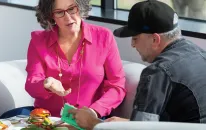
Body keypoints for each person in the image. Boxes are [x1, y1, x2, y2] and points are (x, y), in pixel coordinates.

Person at [68, 0, 206, 129]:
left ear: (155, 39)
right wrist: (128, 123)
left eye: (135, 38)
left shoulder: (157, 72)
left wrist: (94, 123)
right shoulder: (200, 54)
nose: (133, 44)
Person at [0, 0, 126, 119]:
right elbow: (32, 84)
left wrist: (94, 111)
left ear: (80, 7)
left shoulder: (103, 37)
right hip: (47, 119)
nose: (68, 17)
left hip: (89, 118)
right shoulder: (38, 41)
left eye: (72, 9)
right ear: (51, 16)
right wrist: (46, 84)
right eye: (59, 12)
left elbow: (117, 86)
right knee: (2, 120)